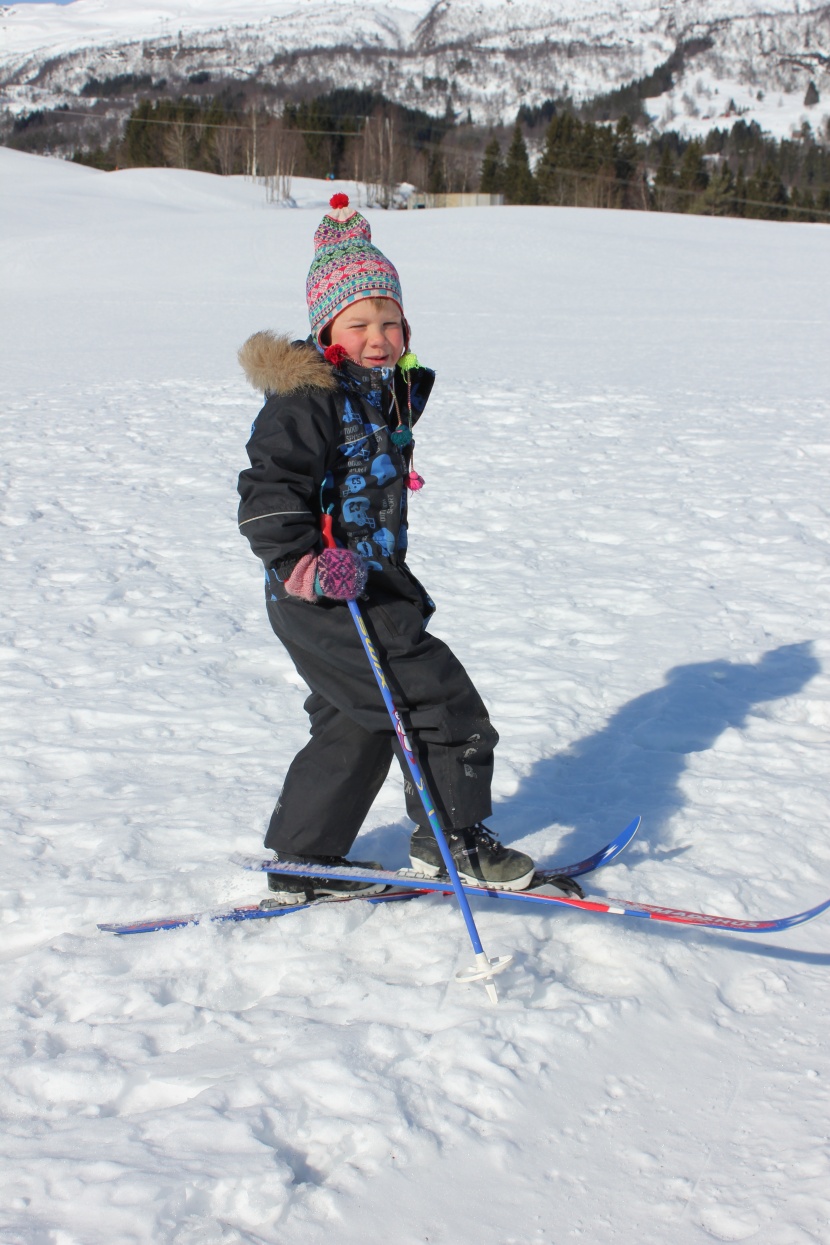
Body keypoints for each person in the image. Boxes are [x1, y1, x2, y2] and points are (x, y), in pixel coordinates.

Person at [237, 193, 535, 904]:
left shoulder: (376, 392)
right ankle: (452, 841)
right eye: (359, 321)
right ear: (326, 327)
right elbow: (267, 493)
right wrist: (307, 564)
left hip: (371, 582)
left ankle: (305, 858)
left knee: (359, 719)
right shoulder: (307, 399)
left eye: (390, 319)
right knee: (439, 701)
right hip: (324, 593)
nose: (378, 335)